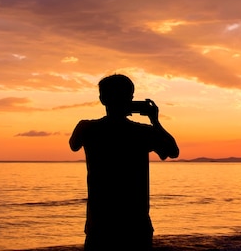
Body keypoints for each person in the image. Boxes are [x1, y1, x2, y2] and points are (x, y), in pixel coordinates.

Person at [70, 74, 179, 250]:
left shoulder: (87, 128)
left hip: (100, 225)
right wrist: (155, 121)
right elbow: (172, 151)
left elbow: (73, 145)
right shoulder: (142, 132)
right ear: (131, 98)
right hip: (135, 225)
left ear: (102, 99)